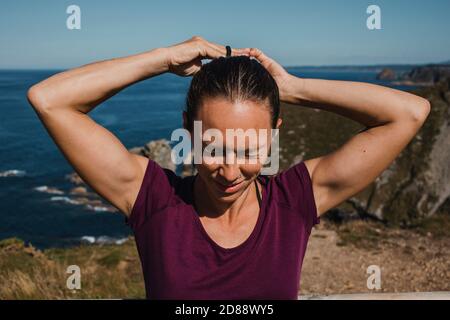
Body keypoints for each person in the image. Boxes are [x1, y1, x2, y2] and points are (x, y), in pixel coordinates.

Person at [27, 36, 430, 299]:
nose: (230, 171)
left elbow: (409, 113)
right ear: (187, 131)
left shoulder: (295, 202)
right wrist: (163, 58)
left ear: (273, 137)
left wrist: (292, 88)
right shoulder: (152, 198)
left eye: (251, 149)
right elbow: (49, 99)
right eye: (213, 148)